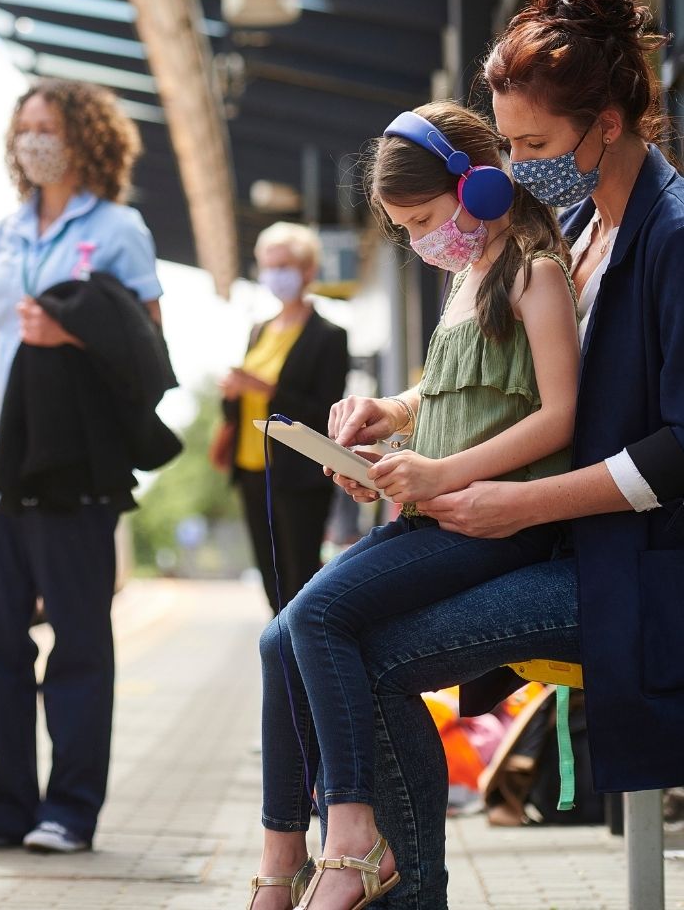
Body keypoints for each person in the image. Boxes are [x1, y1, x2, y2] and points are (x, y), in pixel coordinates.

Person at [326, 0, 684, 909]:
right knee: (346, 636)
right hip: (568, 543)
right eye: (508, 144)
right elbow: (504, 380)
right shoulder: (575, 222)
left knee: (367, 651)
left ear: (608, 121)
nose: (514, 170)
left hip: (634, 565)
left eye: (532, 143)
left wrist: (513, 501)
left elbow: (682, 447)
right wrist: (404, 416)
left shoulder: (673, 235)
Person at [249, 99, 582, 910]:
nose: (420, 240)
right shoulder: (467, 280)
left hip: (501, 525)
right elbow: (450, 388)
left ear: (482, 189)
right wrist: (391, 428)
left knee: (317, 620)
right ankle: (281, 856)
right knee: (275, 636)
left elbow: (557, 415)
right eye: (403, 229)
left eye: (424, 218)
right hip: (440, 513)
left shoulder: (536, 273)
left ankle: (354, 835)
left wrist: (439, 474)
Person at [0, 78, 167, 855]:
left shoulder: (120, 228)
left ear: (86, 139)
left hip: (73, 465)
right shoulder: (4, 232)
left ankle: (70, 810)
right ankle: (5, 805)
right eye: (25, 127)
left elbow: (145, 347)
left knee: (77, 640)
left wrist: (70, 334)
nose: (35, 140)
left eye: (50, 128)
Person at [213, 222, 349, 615]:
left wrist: (265, 389)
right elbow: (239, 411)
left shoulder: (328, 335)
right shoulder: (259, 330)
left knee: (299, 581)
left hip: (298, 475)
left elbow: (325, 410)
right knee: (270, 582)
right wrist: (233, 394)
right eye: (268, 266)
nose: (275, 275)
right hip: (251, 470)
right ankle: (284, 664)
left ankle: (303, 668)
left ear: (308, 270)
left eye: (285, 265)